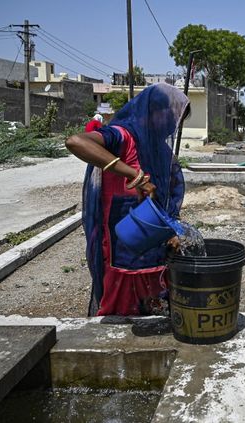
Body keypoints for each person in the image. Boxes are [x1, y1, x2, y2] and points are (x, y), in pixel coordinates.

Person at [65, 83, 189, 316]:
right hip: (122, 235)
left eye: (177, 120)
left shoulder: (162, 152)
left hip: (154, 233)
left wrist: (174, 228)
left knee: (155, 295)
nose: (173, 124)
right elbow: (76, 142)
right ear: (151, 111)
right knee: (122, 299)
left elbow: (172, 194)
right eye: (170, 116)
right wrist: (134, 174)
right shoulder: (122, 136)